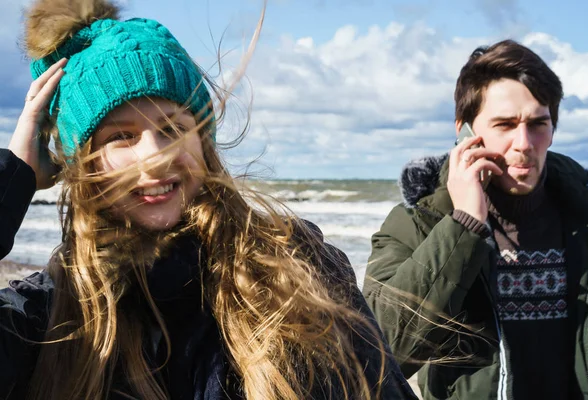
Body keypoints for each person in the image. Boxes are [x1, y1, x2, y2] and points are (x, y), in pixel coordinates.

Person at [0, 0, 417, 399]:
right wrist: (14, 177)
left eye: (171, 128)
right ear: (84, 166)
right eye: (121, 136)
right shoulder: (52, 313)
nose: (154, 157)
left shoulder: (299, 272)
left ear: (203, 141)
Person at [363, 39, 588, 400]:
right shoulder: (417, 224)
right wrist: (464, 225)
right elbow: (380, 353)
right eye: (505, 124)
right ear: (465, 131)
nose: (524, 143)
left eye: (538, 123)